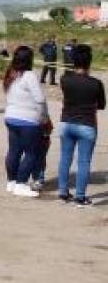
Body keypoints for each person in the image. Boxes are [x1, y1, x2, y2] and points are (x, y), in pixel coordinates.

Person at [57, 44, 105, 206]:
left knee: (65, 158)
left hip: (66, 122)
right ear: (89, 62)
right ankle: (80, 196)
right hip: (86, 124)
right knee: (84, 162)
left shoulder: (65, 79)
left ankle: (63, 192)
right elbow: (101, 105)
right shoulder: (96, 83)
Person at [3, 46, 48, 198]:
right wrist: (44, 118)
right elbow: (40, 99)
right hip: (28, 120)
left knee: (14, 151)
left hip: (11, 117)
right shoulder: (29, 75)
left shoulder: (11, 73)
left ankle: (11, 182)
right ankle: (21, 184)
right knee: (31, 153)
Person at [31, 117, 53, 190]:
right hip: (44, 140)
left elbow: (49, 128)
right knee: (41, 159)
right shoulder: (44, 115)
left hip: (38, 139)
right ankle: (39, 179)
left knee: (35, 158)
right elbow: (50, 129)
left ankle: (37, 179)